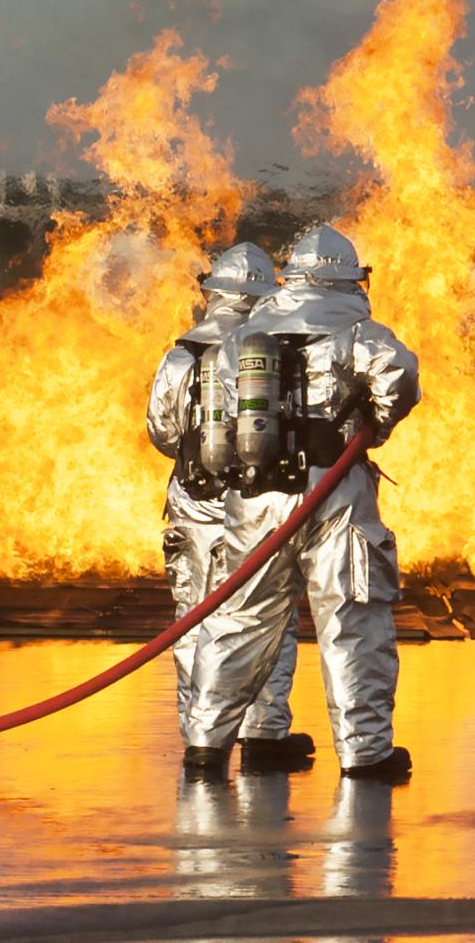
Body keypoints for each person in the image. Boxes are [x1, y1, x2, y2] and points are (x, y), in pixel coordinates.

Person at [182, 225, 420, 780]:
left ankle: (205, 745)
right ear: (348, 281)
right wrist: (375, 425)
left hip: (254, 494)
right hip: (333, 492)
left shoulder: (245, 337)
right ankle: (365, 753)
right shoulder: (359, 332)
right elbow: (401, 378)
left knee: (238, 622)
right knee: (352, 620)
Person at [147, 242, 313, 773]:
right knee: (266, 616)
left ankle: (199, 735)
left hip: (194, 501)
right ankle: (264, 734)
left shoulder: (181, 356)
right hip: (259, 503)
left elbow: (162, 431)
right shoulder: (280, 355)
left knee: (194, 618)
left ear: (214, 293)